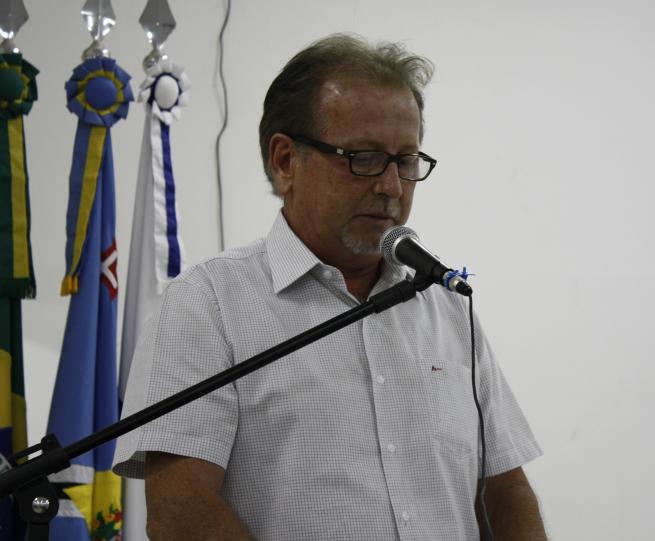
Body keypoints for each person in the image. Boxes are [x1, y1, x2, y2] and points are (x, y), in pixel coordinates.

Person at [113, 33, 547, 540]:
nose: (390, 186)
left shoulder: (445, 307)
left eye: (406, 161)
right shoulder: (208, 304)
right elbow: (182, 510)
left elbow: (505, 491)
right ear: (284, 161)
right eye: (363, 157)